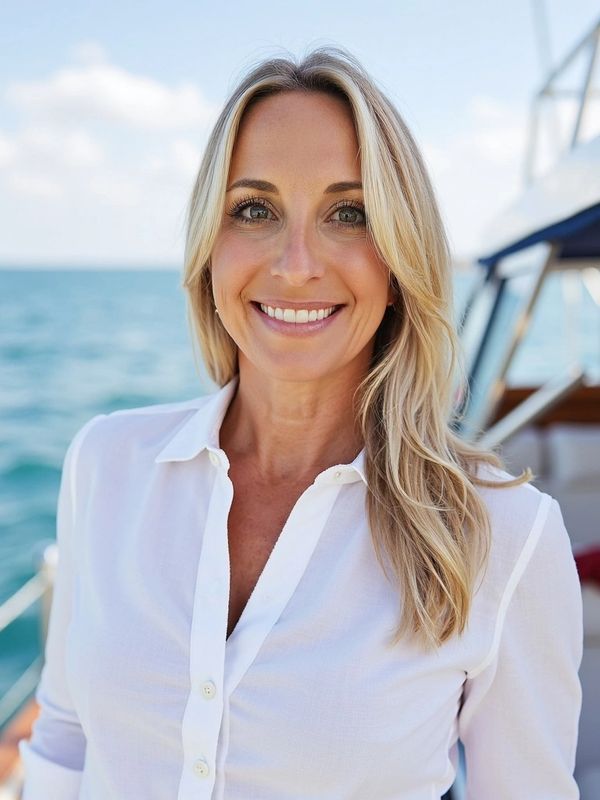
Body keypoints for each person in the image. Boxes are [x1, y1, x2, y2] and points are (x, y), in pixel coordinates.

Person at [19, 46, 583, 799]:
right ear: (208, 248)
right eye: (254, 209)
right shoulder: (107, 463)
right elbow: (65, 738)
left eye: (348, 214)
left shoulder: (503, 534)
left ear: (398, 262)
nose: (295, 263)